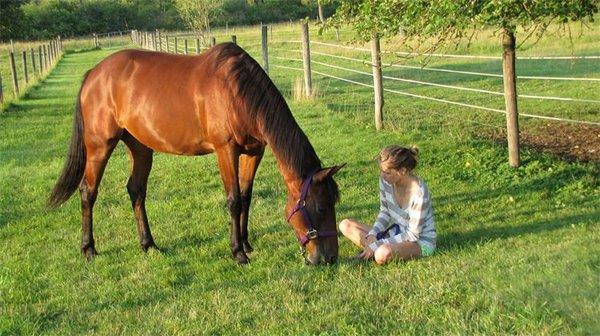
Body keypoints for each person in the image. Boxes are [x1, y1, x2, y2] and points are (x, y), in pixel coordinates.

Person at [339, 145, 436, 265]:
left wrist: (377, 244)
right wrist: (372, 234)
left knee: (382, 254)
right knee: (345, 225)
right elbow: (385, 211)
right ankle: (373, 249)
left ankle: (374, 251)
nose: (382, 175)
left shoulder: (419, 193)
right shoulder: (386, 182)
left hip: (419, 243)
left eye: (387, 172)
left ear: (402, 171)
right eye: (382, 171)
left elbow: (413, 235)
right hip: (396, 232)